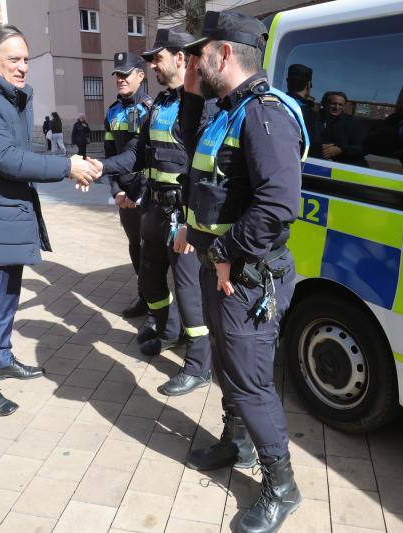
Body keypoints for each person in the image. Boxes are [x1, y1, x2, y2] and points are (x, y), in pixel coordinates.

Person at [180, 11, 307, 533]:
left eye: (200, 52)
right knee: (230, 369)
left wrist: (227, 249)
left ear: (225, 53)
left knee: (252, 382)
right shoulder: (227, 111)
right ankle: (236, 443)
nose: (195, 60)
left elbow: (279, 205)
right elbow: (199, 164)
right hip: (222, 269)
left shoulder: (263, 113)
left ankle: (283, 486)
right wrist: (190, 92)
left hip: (247, 275)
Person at [0, 24, 100, 416]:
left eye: (25, 60)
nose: (22, 67)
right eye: (13, 59)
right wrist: (67, 166)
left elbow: (21, 152)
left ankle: (0, 357)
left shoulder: (12, 97)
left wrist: (67, 166)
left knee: (9, 297)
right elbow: (7, 159)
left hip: (10, 213)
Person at [91, 27, 214, 396]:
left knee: (190, 293)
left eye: (157, 59)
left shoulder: (203, 105)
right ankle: (167, 331)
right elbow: (136, 154)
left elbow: (205, 170)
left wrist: (191, 222)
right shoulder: (159, 104)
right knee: (150, 280)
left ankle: (198, 365)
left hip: (183, 216)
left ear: (180, 58)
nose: (152, 66)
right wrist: (100, 168)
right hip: (155, 210)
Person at [103, 52, 153, 318]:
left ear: (140, 75)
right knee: (135, 245)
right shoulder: (112, 112)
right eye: (117, 75)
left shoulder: (150, 109)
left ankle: (158, 303)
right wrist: (117, 191)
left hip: (146, 193)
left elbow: (154, 155)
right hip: (125, 195)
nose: (120, 79)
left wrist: (141, 192)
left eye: (125, 74)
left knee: (151, 250)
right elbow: (110, 155)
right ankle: (144, 296)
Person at [318, 91, 367, 166]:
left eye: (340, 105)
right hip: (320, 165)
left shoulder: (354, 123)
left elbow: (363, 147)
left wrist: (341, 150)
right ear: (324, 104)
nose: (336, 107)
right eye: (333, 103)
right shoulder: (315, 119)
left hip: (350, 167)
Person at [286, 64, 319, 145]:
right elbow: (311, 143)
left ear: (287, 82)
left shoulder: (273, 103)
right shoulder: (310, 114)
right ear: (308, 85)